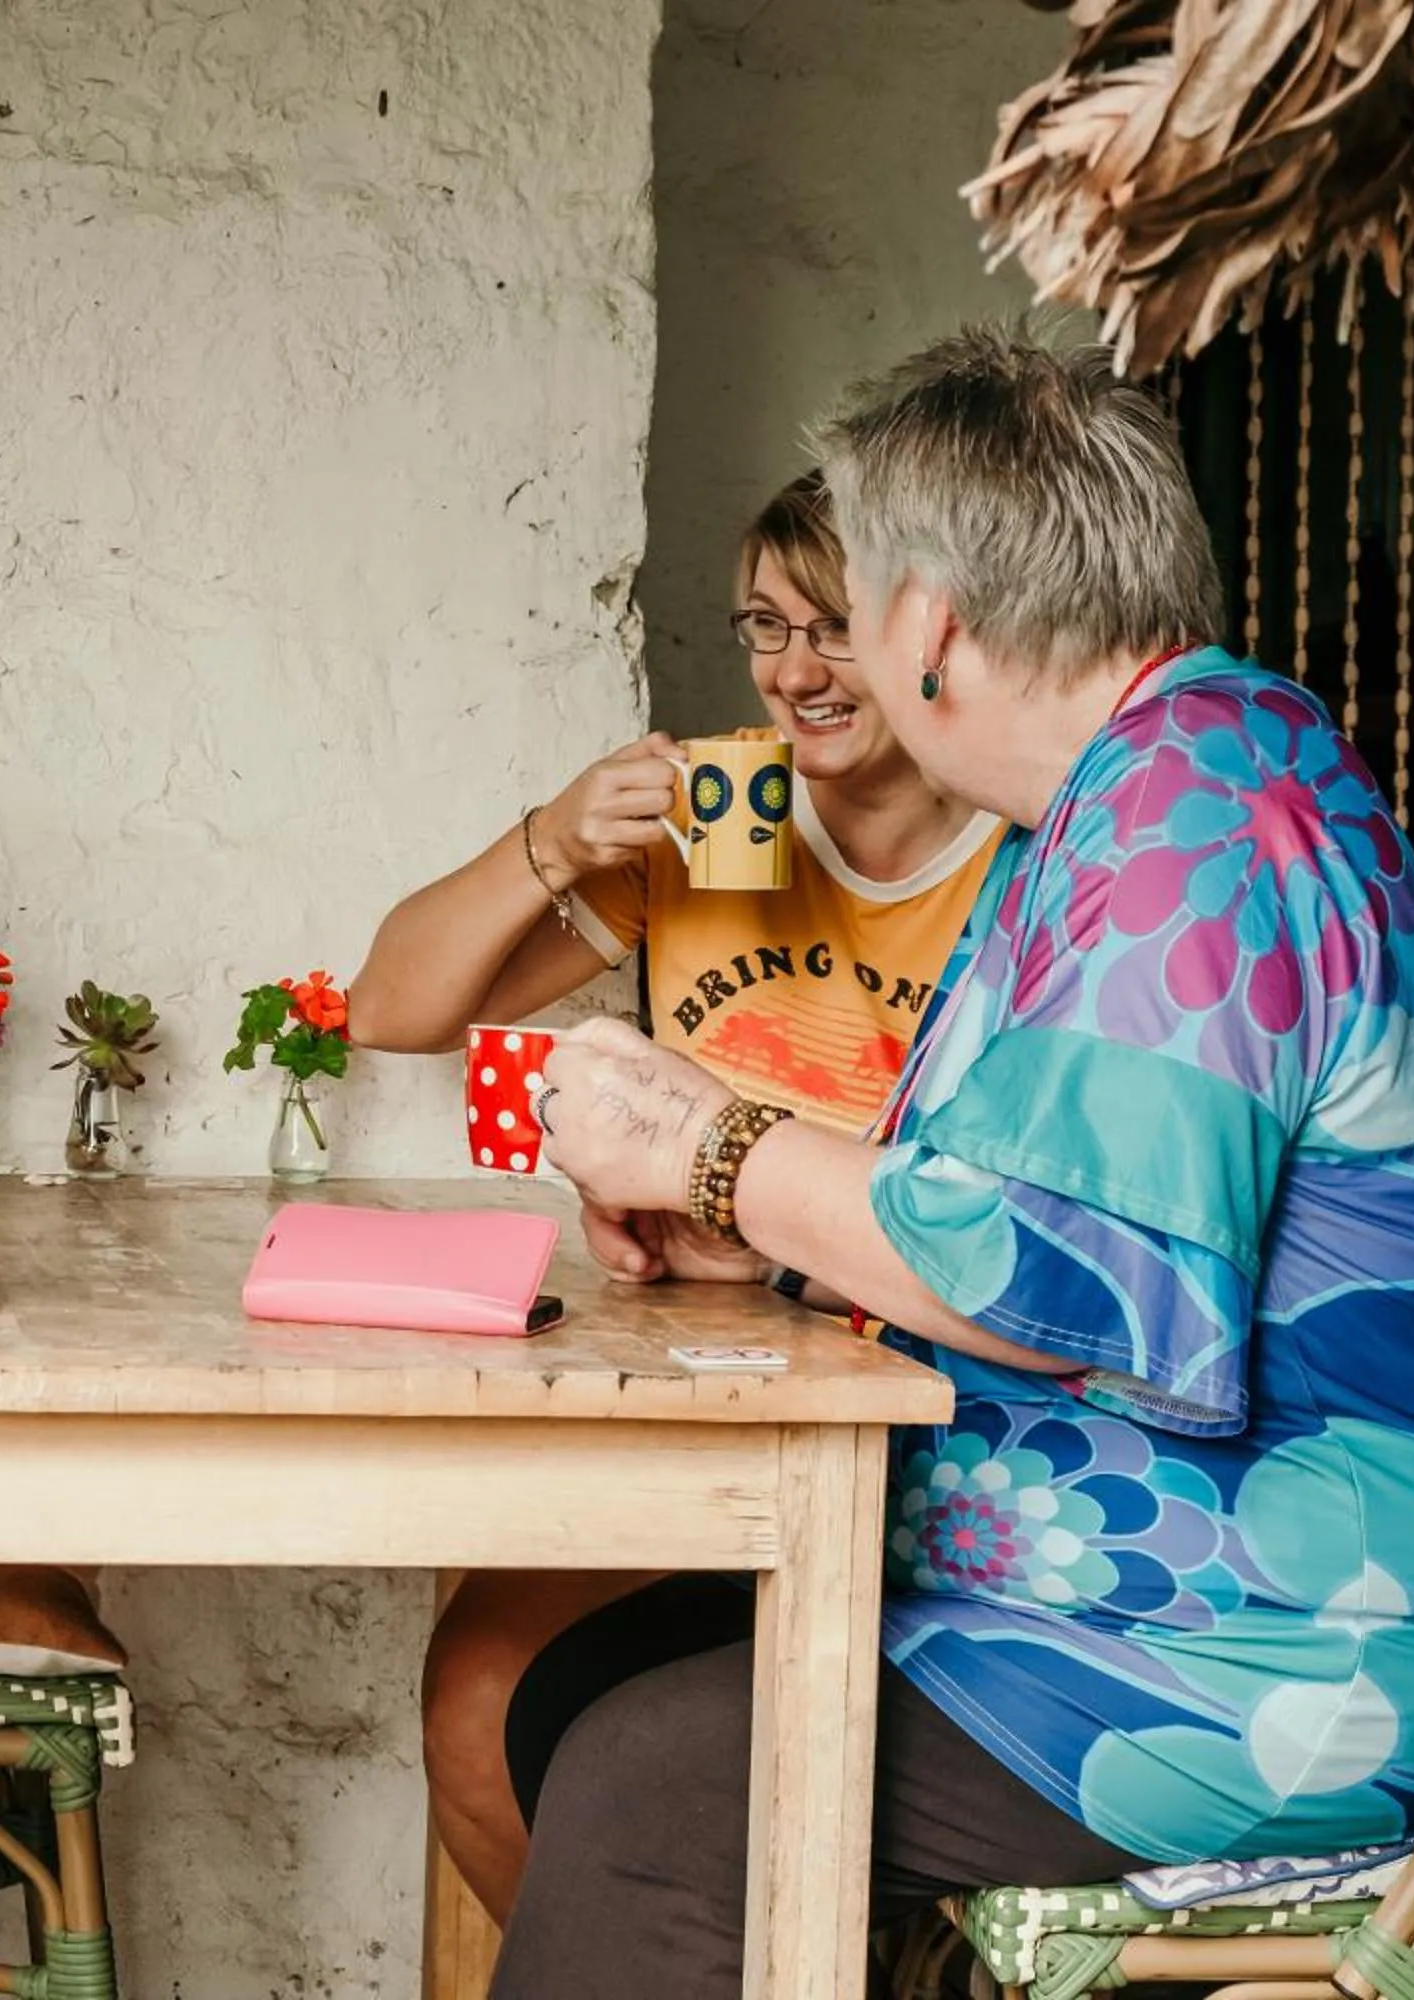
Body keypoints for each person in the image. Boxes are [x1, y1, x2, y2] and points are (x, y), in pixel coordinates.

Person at [507, 325, 1414, 1995]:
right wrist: (771, 1238)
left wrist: (700, 1140)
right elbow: (1008, 1194)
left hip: (1295, 1645)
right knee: (582, 1692)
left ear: (930, 624)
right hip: (1170, 1579)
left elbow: (1079, 1281)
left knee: (655, 1789)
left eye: (860, 606)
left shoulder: (1200, 809)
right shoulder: (1127, 798)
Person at [343, 473, 1006, 1917]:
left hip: (950, 1425)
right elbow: (391, 1006)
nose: (792, 672)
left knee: (670, 1747)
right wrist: (557, 841)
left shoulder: (1026, 863)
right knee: (478, 1687)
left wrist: (756, 1208)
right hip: (717, 1396)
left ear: (928, 632)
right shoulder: (721, 818)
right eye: (766, 628)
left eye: (834, 627)